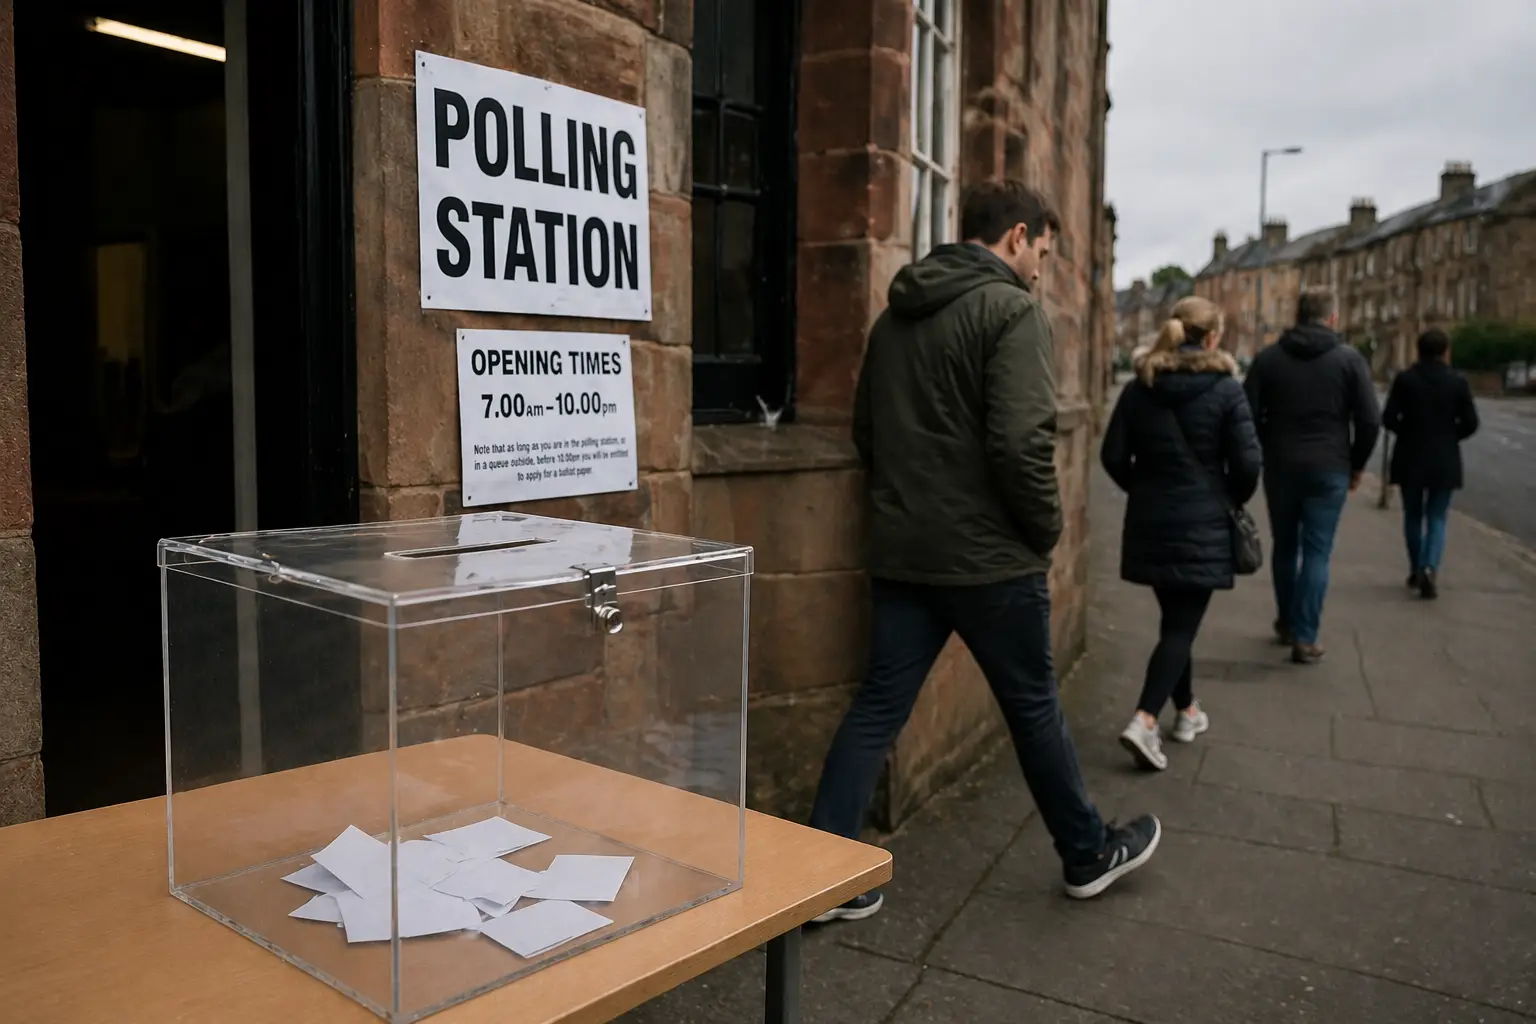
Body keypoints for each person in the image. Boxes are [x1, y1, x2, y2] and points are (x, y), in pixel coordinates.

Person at [807, 179, 1160, 921]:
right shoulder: (1011, 312)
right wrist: (1044, 532)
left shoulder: (894, 318)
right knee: (1034, 707)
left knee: (876, 707)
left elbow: (868, 435)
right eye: (1043, 252)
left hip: (905, 554)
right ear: (1016, 237)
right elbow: (1018, 443)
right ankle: (1088, 852)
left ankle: (823, 878)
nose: (1042, 268)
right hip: (992, 561)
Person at [1101, 297, 1262, 771]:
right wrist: (1228, 498)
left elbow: (1113, 457)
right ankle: (1145, 720)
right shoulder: (1227, 391)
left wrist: (1145, 490)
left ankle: (1187, 712)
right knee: (1180, 626)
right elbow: (1249, 463)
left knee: (1176, 621)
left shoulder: (1139, 388)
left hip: (1152, 520)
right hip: (1204, 522)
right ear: (1212, 337)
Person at [1243, 290, 1380, 664]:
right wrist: (1356, 464)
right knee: (1317, 551)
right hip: (1330, 467)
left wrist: (1259, 453)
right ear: (1332, 318)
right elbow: (1369, 420)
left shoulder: (1268, 359)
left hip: (1281, 465)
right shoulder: (1350, 360)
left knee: (1286, 546)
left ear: (1296, 315)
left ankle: (1286, 622)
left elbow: (1246, 415)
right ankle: (1305, 636)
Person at [1383, 328, 1480, 599]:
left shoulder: (1405, 380)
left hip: (1410, 455)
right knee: (1437, 516)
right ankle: (1429, 566)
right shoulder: (1458, 382)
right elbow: (1471, 422)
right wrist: (1451, 435)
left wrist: (1407, 431)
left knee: (1413, 515)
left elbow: (1389, 418)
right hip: (1444, 457)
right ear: (1446, 352)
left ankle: (1416, 568)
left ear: (1418, 350)